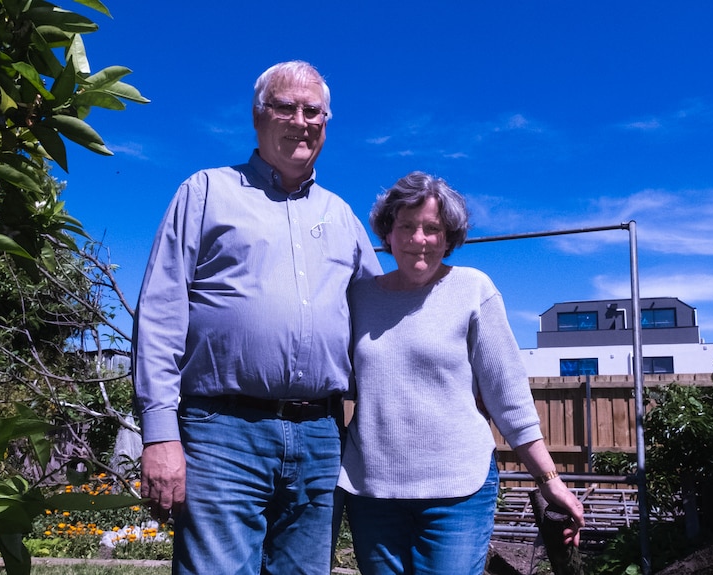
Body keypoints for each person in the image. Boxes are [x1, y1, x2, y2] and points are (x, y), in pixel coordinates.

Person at [132, 60, 382, 575]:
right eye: (285, 107)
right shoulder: (205, 192)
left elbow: (380, 328)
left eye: (313, 110)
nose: (301, 120)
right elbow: (159, 317)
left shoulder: (342, 217)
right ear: (257, 116)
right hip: (222, 432)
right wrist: (159, 435)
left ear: (326, 122)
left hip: (320, 435)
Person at [337, 171, 585, 575]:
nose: (419, 239)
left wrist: (549, 479)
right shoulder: (359, 297)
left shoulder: (473, 289)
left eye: (432, 229)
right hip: (373, 494)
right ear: (388, 232)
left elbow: (510, 399)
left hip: (457, 491)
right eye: (407, 226)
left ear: (449, 236)